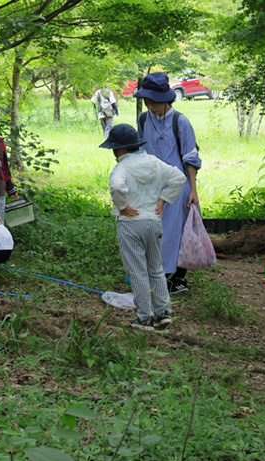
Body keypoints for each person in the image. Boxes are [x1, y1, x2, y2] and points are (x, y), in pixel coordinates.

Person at [102, 124, 186, 330]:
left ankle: (145, 317)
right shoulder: (154, 162)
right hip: (153, 221)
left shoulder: (121, 168)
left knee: (137, 271)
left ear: (121, 149)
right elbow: (179, 178)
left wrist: (122, 206)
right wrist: (163, 199)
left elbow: (116, 186)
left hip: (130, 225)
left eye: (114, 148)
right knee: (156, 268)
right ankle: (163, 312)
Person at [134, 72, 201, 294]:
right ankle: (157, 274)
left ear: (166, 100)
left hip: (178, 186)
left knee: (179, 230)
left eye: (154, 102)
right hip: (152, 185)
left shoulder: (180, 121)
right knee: (153, 229)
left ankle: (179, 279)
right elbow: (140, 152)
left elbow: (190, 157)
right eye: (147, 101)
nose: (150, 106)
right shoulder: (144, 119)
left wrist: (193, 190)